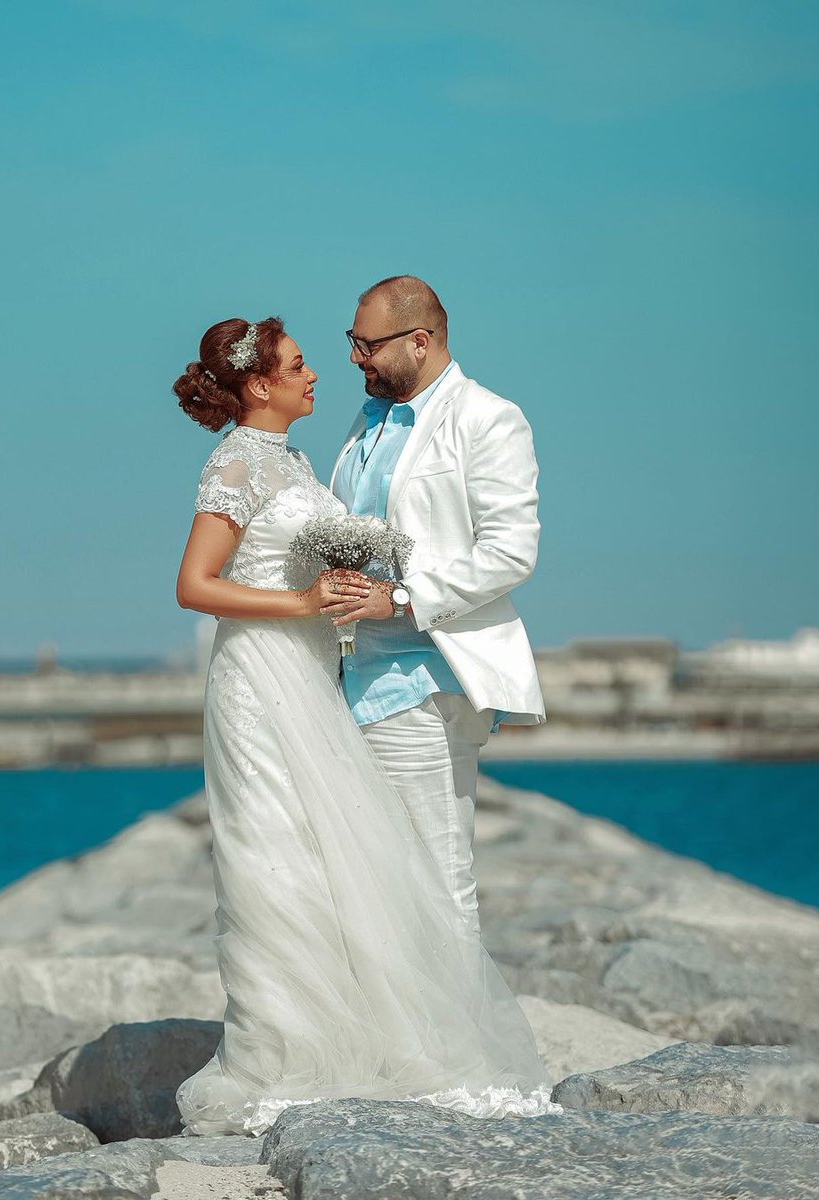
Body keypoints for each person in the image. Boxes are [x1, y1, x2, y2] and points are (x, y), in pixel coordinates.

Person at [171, 314, 560, 1137]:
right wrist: (302, 603)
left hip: (314, 677)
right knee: (275, 860)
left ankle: (351, 1036)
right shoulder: (237, 461)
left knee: (327, 863)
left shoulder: (294, 458)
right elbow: (194, 585)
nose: (319, 372)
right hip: (261, 680)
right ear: (259, 386)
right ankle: (279, 1052)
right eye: (299, 365)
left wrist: (373, 575)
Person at [331, 276, 545, 946]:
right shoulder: (368, 421)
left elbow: (511, 552)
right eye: (352, 341)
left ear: (419, 341)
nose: (355, 357)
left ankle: (458, 1019)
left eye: (367, 345)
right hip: (348, 676)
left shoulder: (488, 418)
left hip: (426, 674)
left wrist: (399, 598)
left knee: (435, 875)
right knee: (373, 879)